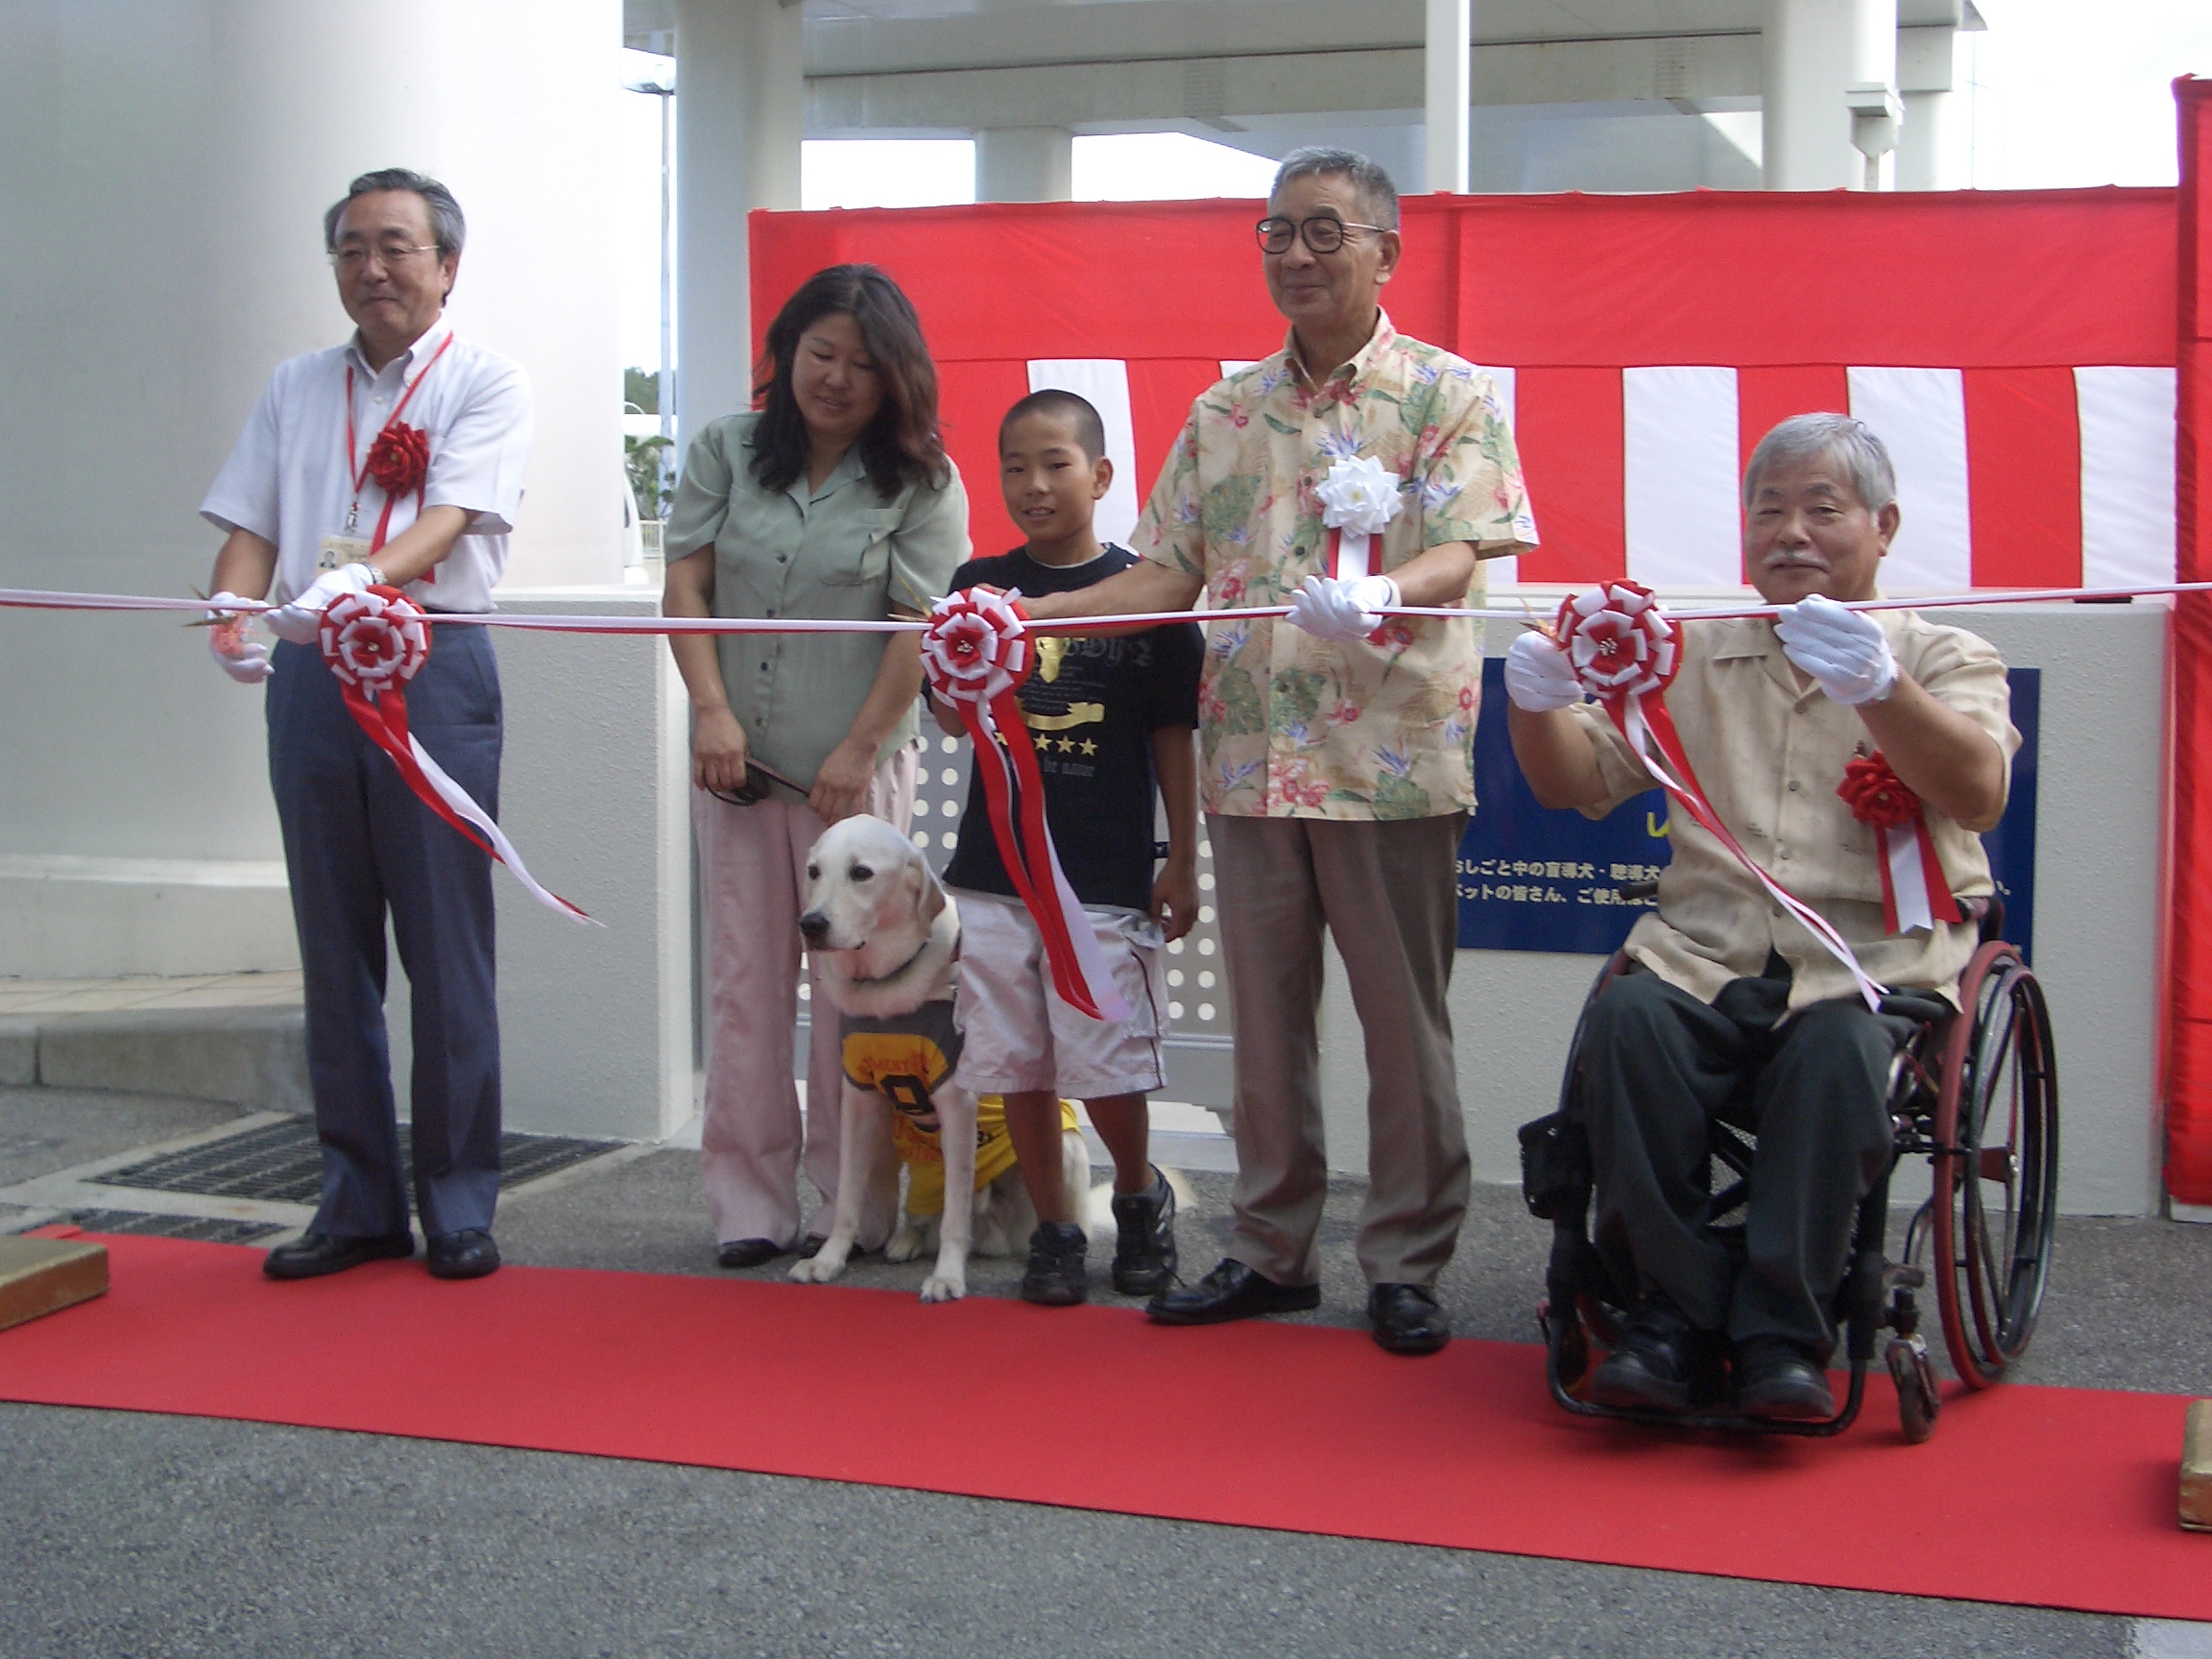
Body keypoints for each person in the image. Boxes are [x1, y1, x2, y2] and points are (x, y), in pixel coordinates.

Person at [1019, 148, 1538, 1355]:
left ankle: (1406, 1262)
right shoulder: (1224, 411)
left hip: (1391, 757)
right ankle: (1271, 1249)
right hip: (1251, 758)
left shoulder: (1447, 392)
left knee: (1404, 1026)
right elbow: (1161, 572)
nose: (1294, 256)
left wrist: (1387, 590)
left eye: (1323, 233)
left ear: (1384, 252)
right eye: (1275, 234)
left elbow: (1469, 546)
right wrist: (1020, 616)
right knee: (1264, 1025)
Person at [1504, 413, 2018, 1419]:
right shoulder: (1685, 655)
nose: (1790, 532)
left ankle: (1785, 1330)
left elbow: (1980, 791)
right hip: (1705, 953)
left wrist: (1881, 687)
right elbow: (1574, 785)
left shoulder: (1949, 652)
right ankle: (1673, 1316)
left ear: (1884, 526)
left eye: (1822, 509)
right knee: (1628, 1024)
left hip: (1871, 961)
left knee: (1835, 1055)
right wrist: (1531, 702)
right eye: (1768, 510)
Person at [200, 168, 533, 1282]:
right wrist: (235, 608)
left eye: (396, 245)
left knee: (445, 943)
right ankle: (353, 1202)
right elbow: (249, 523)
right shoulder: (295, 384)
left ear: (447, 264)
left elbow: (447, 521)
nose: (372, 267)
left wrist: (351, 591)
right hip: (310, 674)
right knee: (331, 945)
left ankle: (458, 1199)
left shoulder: (486, 381)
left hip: (431, 663)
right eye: (351, 248)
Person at [662, 264, 969, 1270]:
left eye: (863, 364)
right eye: (820, 353)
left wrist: (856, 750)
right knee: (745, 985)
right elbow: (688, 581)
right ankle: (750, 1204)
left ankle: (857, 1206)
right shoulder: (726, 448)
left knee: (859, 992)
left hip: (857, 784)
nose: (836, 378)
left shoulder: (924, 482)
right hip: (735, 763)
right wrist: (709, 712)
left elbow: (919, 626)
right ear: (786, 352)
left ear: (898, 380)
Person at [929, 389, 1203, 1306]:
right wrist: (952, 670)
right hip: (994, 871)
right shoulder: (978, 585)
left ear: (1101, 474)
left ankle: (1134, 1198)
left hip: (1107, 873)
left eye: (1055, 464)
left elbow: (1173, 737)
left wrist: (1181, 857)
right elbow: (951, 720)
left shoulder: (1151, 590)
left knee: (1107, 1057)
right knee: (1017, 1060)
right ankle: (1054, 1228)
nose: (1034, 484)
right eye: (1014, 466)